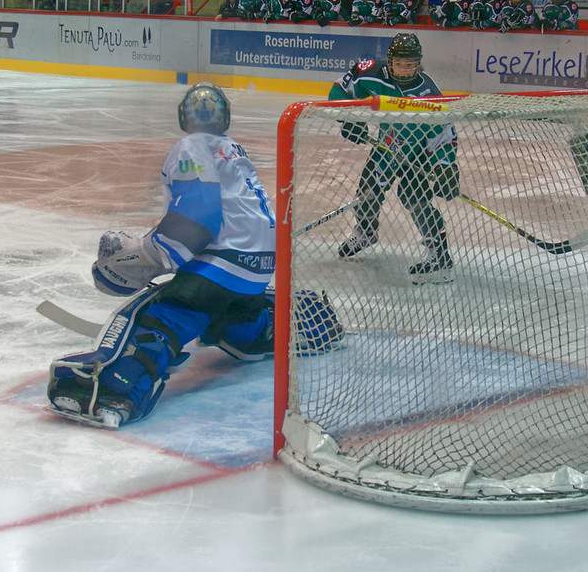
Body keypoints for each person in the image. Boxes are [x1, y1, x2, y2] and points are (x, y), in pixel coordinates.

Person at [48, 84, 280, 428]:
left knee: (164, 314)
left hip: (222, 265)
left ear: (184, 117)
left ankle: (115, 388)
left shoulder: (191, 146)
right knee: (229, 308)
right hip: (258, 269)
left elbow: (199, 216)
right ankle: (256, 332)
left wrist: (148, 255)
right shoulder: (232, 150)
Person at [328, 34, 459, 284]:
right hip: (387, 148)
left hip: (418, 155)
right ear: (389, 61)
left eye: (410, 65)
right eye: (399, 64)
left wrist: (445, 167)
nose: (404, 70)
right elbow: (340, 89)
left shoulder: (428, 92)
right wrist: (349, 119)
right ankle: (366, 233)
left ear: (418, 64)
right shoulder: (370, 73)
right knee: (367, 193)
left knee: (414, 199)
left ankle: (439, 254)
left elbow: (444, 133)